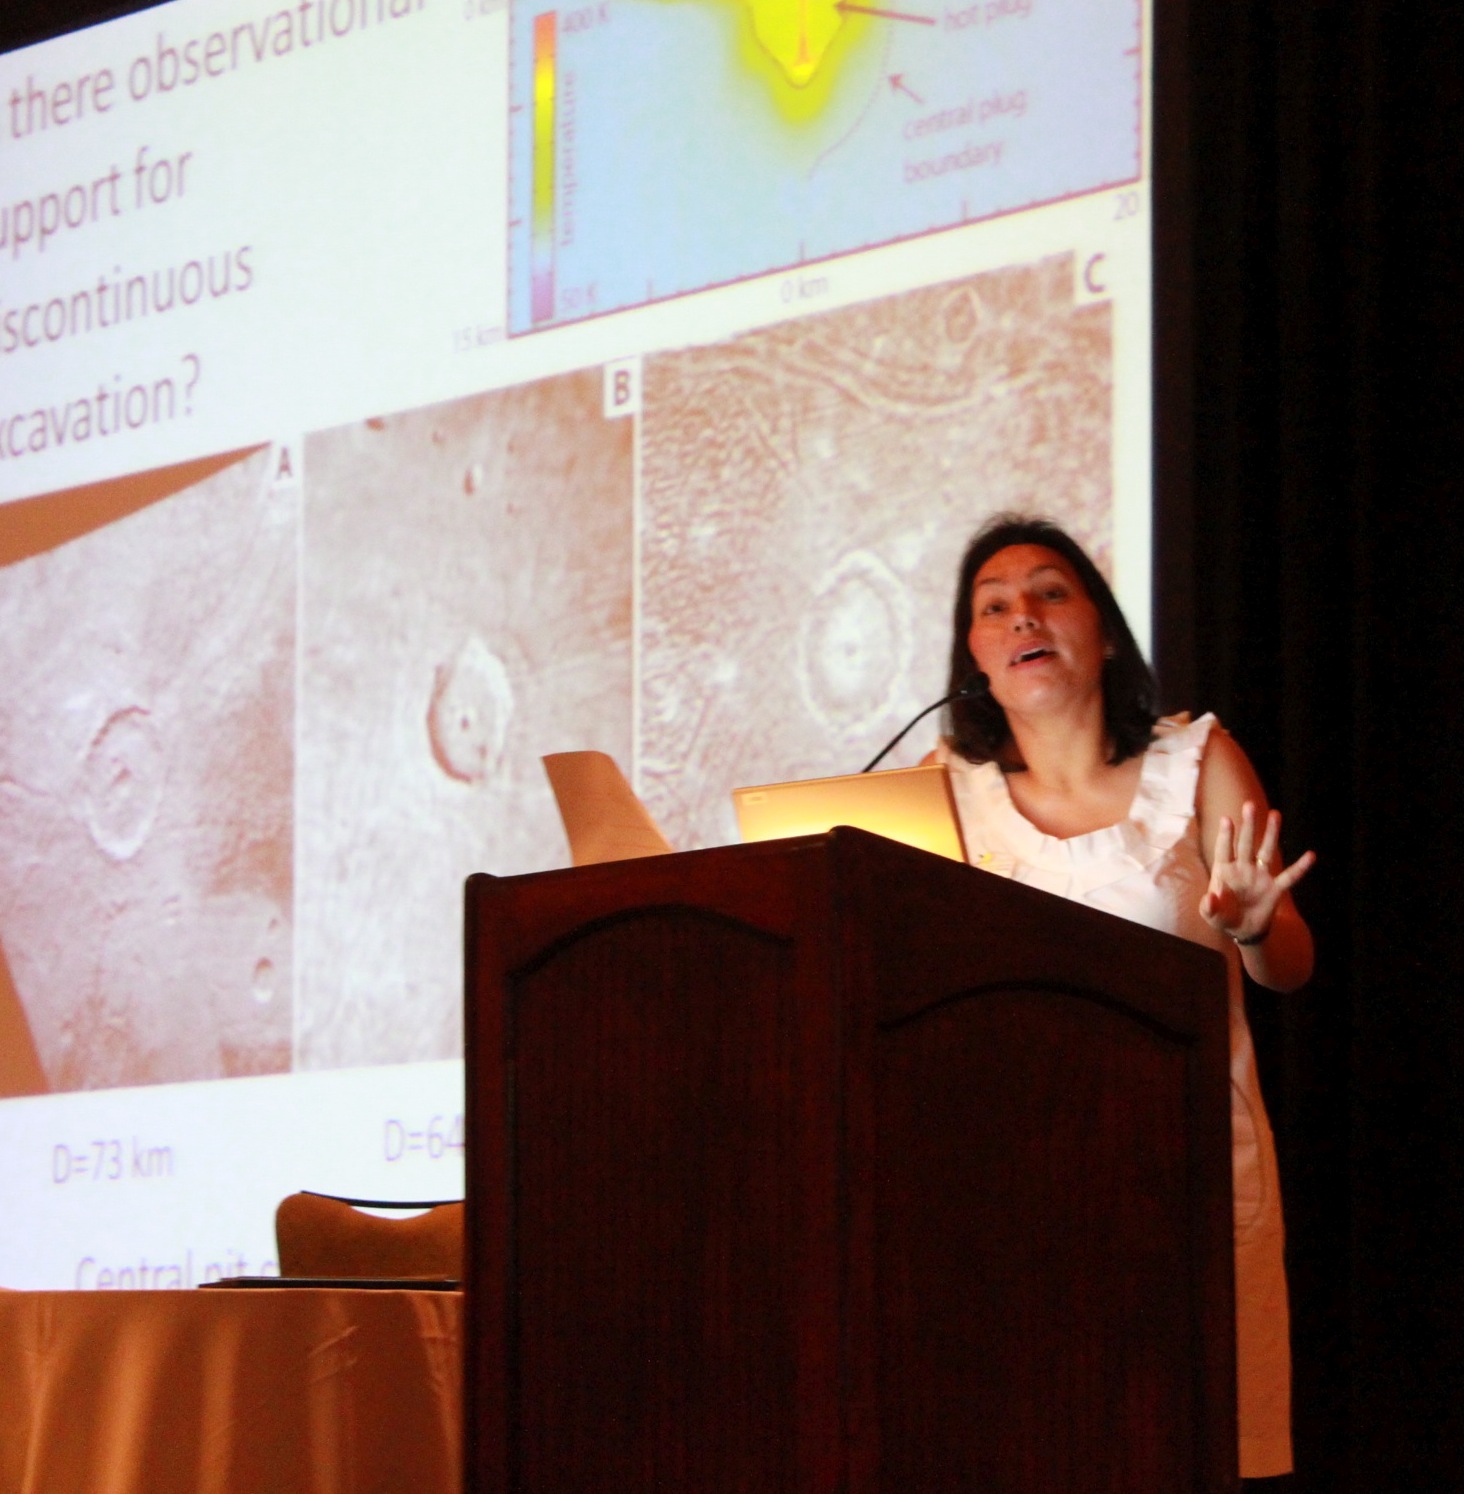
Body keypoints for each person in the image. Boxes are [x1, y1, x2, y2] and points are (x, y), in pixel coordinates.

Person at [927, 513, 1314, 1482]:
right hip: (1011, 1193)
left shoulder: (1197, 762)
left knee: (1184, 1446)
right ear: (975, 658)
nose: (1023, 615)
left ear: (1101, 630)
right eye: (993, 606)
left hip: (1184, 1182)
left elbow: (1291, 968)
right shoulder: (938, 795)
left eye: (1050, 592)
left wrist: (1255, 926)